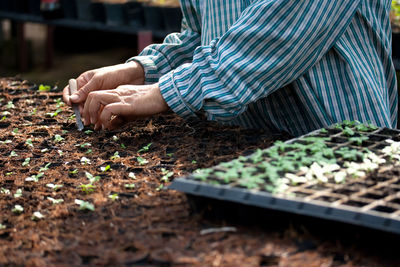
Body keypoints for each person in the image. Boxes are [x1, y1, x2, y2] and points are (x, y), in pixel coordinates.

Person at [63, 0, 398, 136]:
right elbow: (204, 35)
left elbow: (282, 29)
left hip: (335, 141)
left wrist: (168, 91)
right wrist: (140, 71)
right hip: (239, 145)